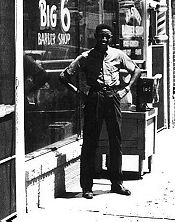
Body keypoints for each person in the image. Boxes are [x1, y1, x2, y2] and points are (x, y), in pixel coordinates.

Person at [59, 23, 141, 199]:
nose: (104, 39)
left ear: (111, 39)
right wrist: (79, 94)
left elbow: (136, 70)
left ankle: (117, 183)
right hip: (94, 98)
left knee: (116, 140)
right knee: (90, 142)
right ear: (95, 37)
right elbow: (64, 76)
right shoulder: (86, 57)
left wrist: (126, 89)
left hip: (113, 98)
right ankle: (87, 187)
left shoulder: (117, 55)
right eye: (101, 36)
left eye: (107, 37)